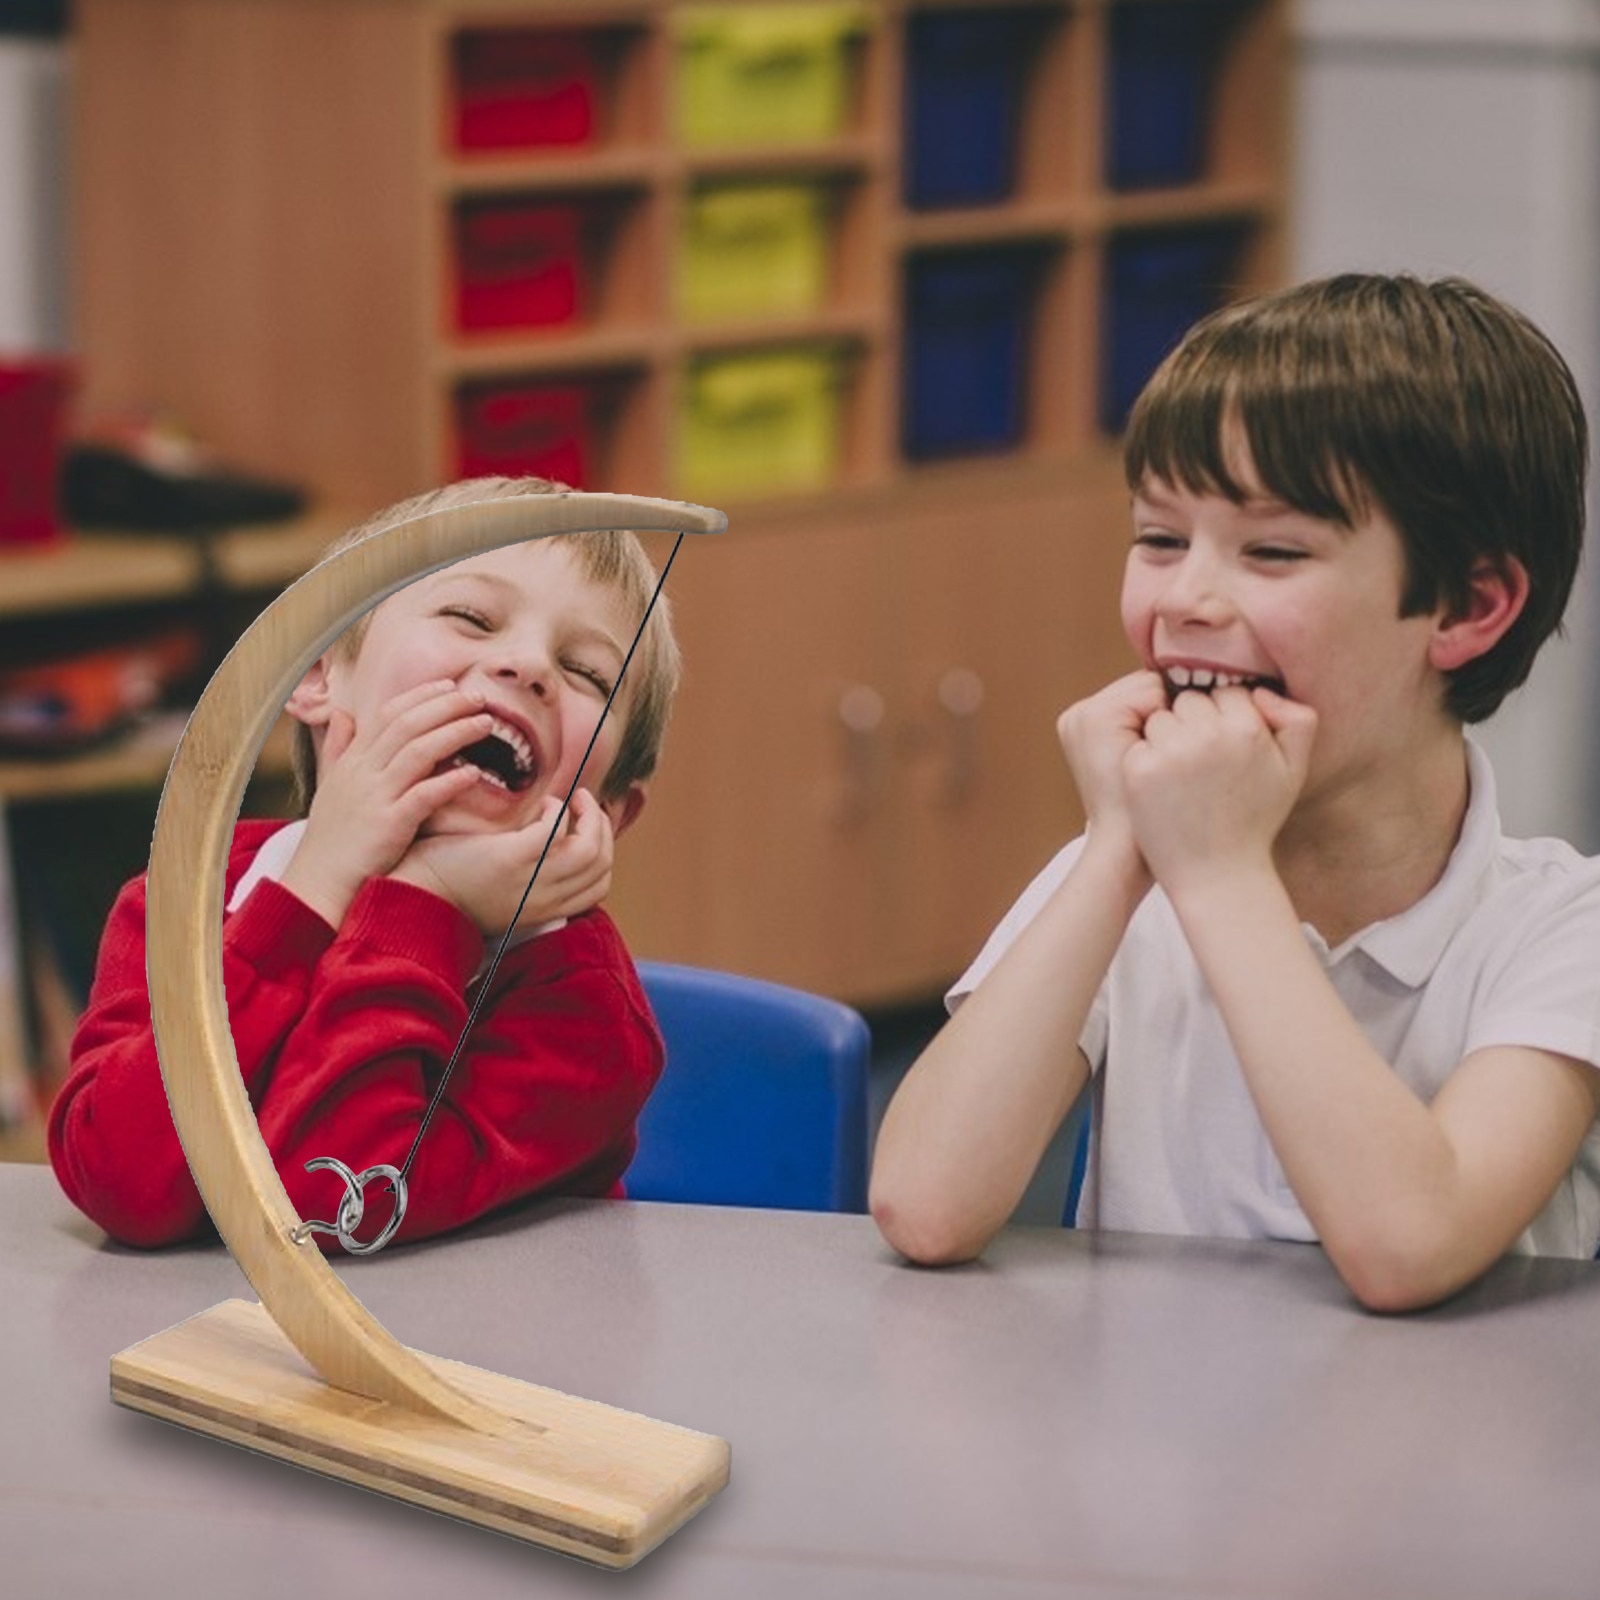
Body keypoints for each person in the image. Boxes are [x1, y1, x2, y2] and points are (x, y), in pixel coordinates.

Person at [870, 273, 1600, 1312]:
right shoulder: (1128, 875)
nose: (1184, 600)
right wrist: (1117, 848)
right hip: (1157, 1462)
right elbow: (924, 1203)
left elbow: (1407, 1244)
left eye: (1272, 551)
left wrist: (1216, 872)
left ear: (1467, 605)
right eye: (1159, 538)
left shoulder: (1565, 930)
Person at [50, 476, 681, 1249]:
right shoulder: (183, 901)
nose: (527, 665)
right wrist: (310, 892)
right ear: (315, 674)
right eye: (471, 617)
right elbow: (121, 1182)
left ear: (611, 809)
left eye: (587, 673)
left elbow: (328, 1209)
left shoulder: (586, 1016)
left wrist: (425, 904)